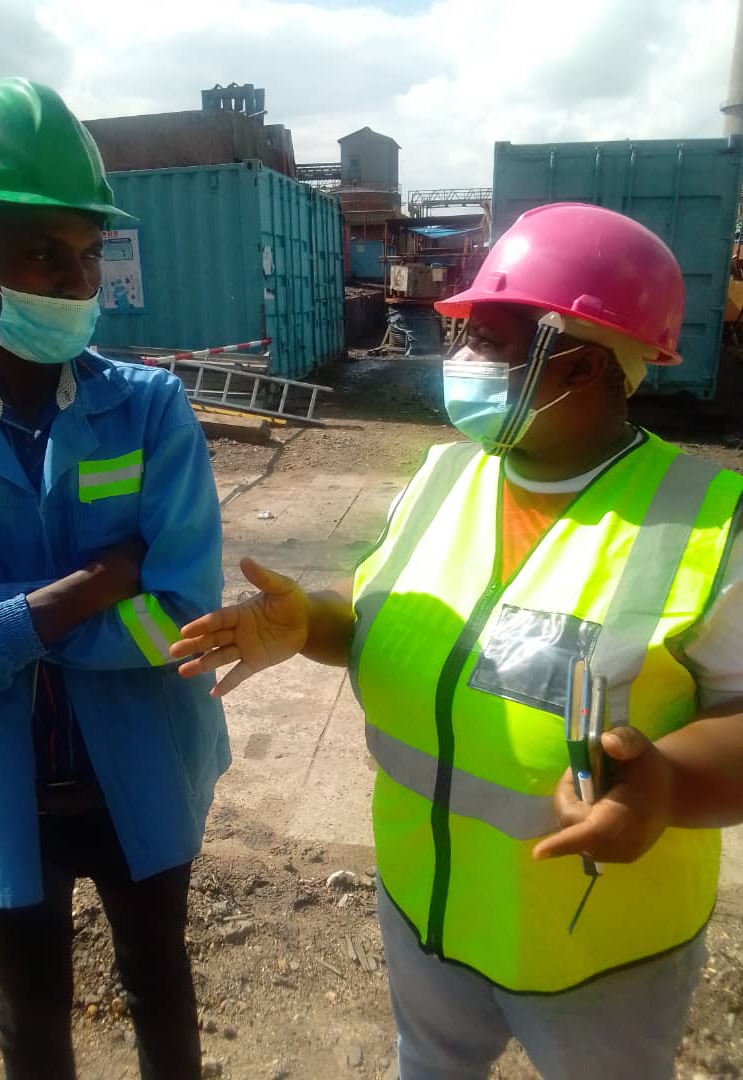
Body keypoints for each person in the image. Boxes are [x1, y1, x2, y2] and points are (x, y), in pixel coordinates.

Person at [171, 202, 743, 1079]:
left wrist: (665, 786)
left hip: (596, 946)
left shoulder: (707, 522)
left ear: (582, 364)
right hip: (424, 911)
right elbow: (389, 622)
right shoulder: (443, 478)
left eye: (487, 337)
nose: (460, 357)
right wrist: (313, 623)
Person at [0, 78, 229, 1080]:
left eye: (85, 255)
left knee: (160, 979)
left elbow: (183, 614)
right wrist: (84, 588)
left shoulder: (151, 410)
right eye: (39, 254)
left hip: (143, 766)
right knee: (32, 1012)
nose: (70, 280)